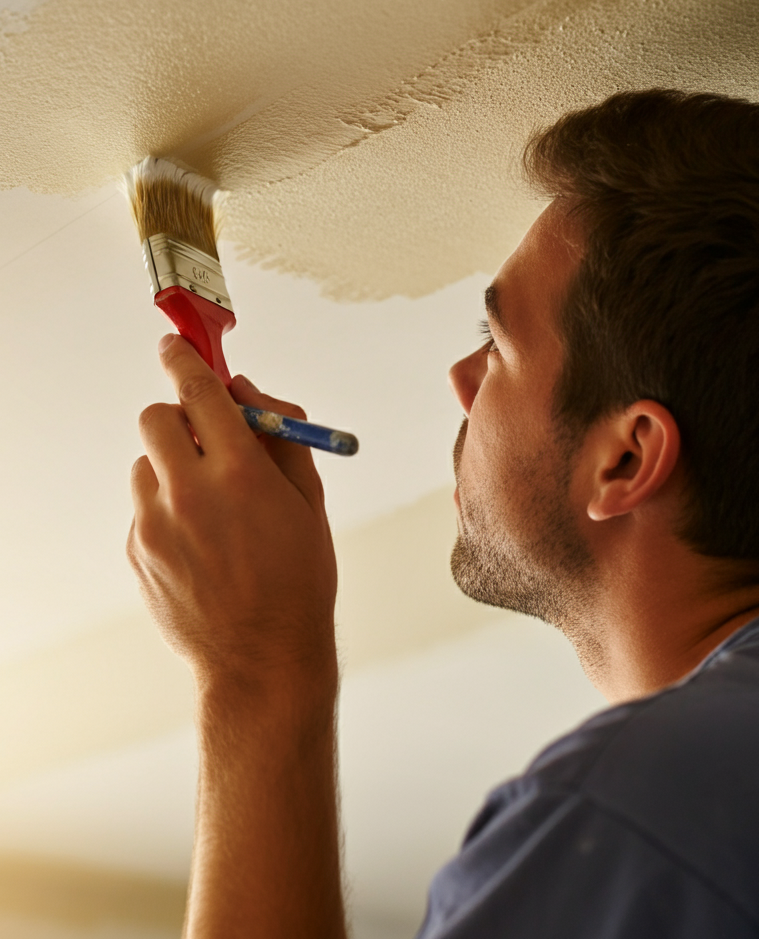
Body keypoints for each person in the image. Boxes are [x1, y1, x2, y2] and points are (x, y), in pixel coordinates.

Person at [126, 89, 759, 938]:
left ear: (626, 460)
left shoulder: (642, 808)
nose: (463, 378)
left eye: (498, 345)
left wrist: (257, 670)